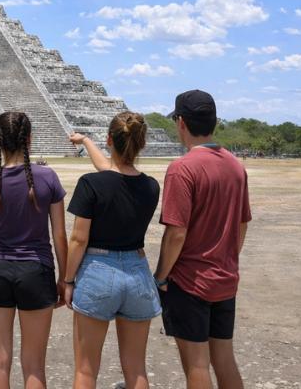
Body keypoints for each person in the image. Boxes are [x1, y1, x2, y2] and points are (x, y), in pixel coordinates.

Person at [153, 90, 251, 389]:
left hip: (190, 280)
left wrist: (160, 276)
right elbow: (242, 223)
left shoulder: (183, 168)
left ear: (181, 122)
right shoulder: (235, 165)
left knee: (196, 364)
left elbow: (176, 232)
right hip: (224, 276)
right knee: (224, 360)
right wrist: (227, 257)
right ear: (214, 122)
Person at [64, 112, 161, 389]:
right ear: (141, 144)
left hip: (98, 271)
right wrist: (85, 141)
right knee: (136, 369)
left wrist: (69, 280)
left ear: (110, 140)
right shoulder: (151, 186)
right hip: (138, 273)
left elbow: (78, 240)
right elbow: (113, 174)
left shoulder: (91, 184)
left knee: (85, 370)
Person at [0, 111, 68, 389]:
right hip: (36, 270)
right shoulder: (47, 177)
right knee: (34, 364)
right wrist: (65, 277)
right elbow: (59, 234)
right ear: (29, 139)